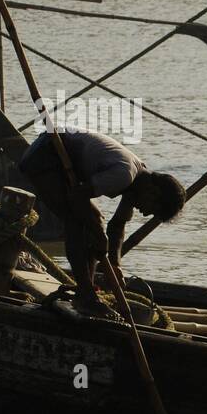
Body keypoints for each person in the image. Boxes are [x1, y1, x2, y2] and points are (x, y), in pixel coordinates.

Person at [17, 129, 185, 317]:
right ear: (153, 192)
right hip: (47, 154)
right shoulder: (124, 175)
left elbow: (117, 225)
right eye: (151, 209)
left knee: (96, 222)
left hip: (56, 158)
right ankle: (86, 296)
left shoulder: (136, 181)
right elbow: (77, 197)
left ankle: (86, 291)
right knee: (76, 221)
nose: (145, 213)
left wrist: (115, 264)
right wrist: (98, 233)